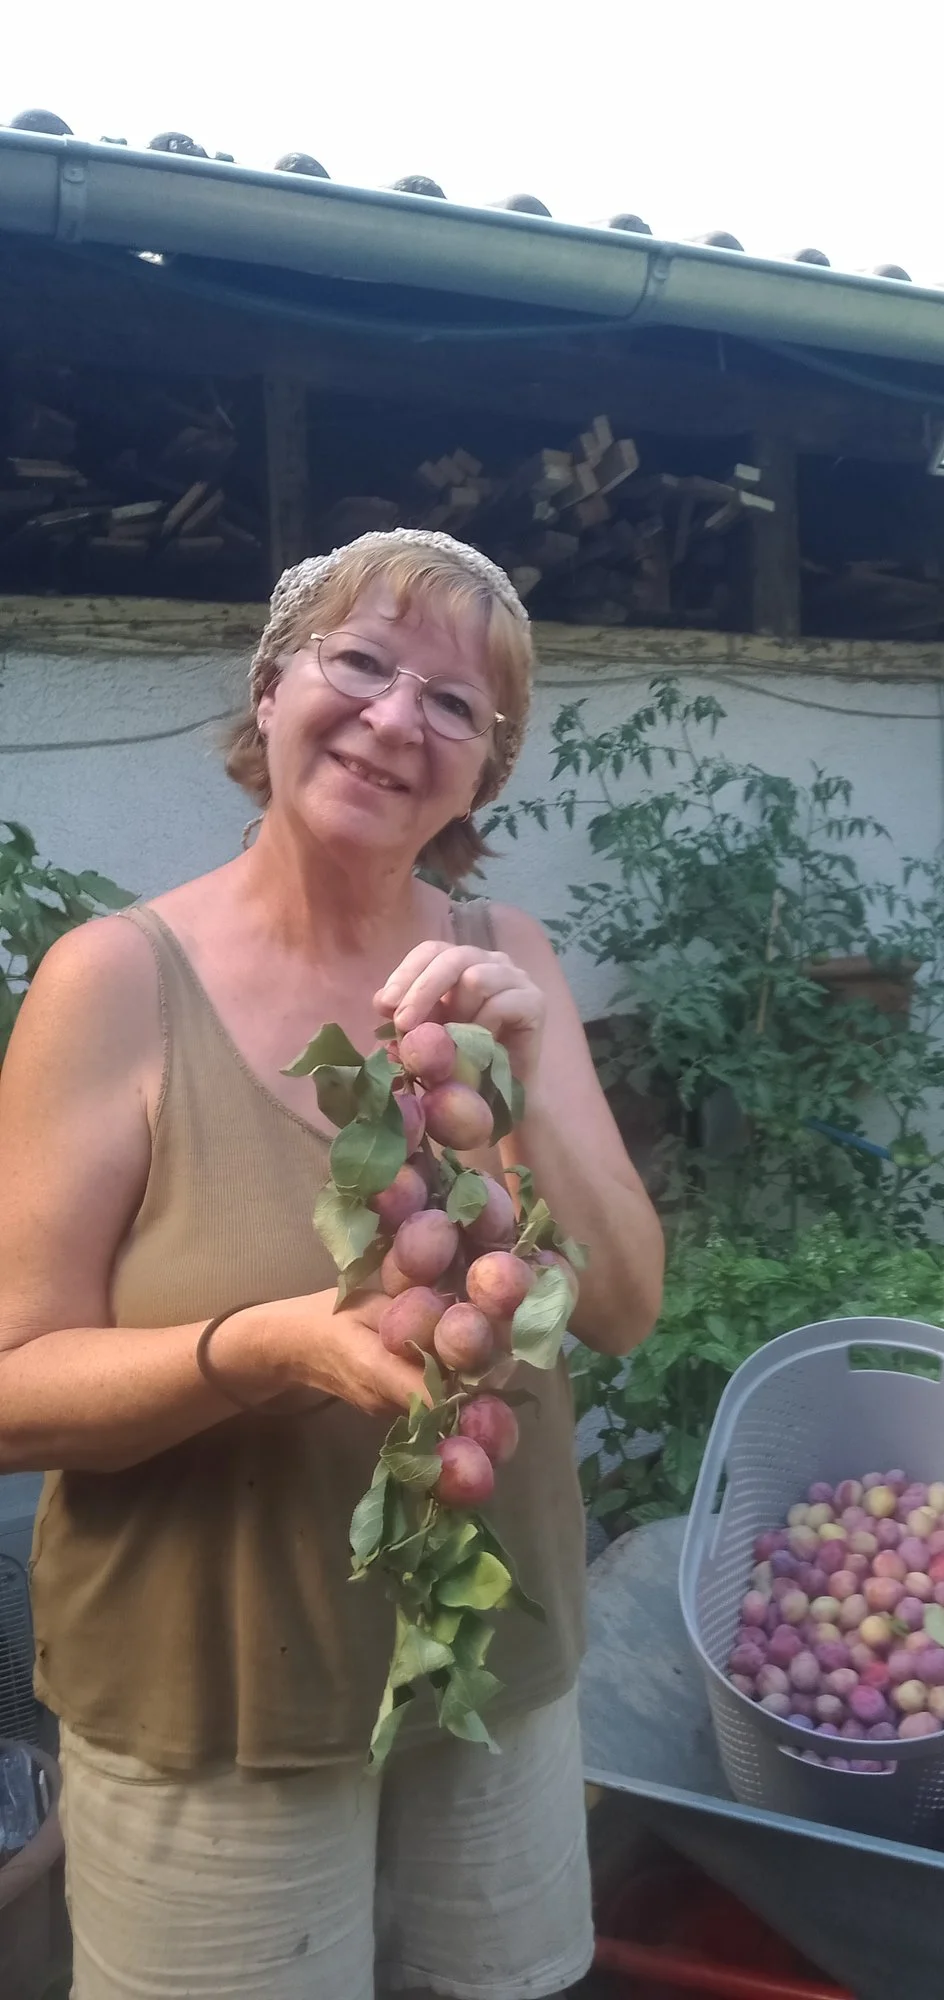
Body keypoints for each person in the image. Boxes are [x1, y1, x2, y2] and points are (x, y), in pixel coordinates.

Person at [0, 528, 664, 2000]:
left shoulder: (508, 956)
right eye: (360, 662)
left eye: (454, 705)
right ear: (272, 689)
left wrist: (534, 1083)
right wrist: (260, 1349)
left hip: (492, 1669)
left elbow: (622, 1307)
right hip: (215, 1701)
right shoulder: (114, 981)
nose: (394, 718)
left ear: (483, 773)